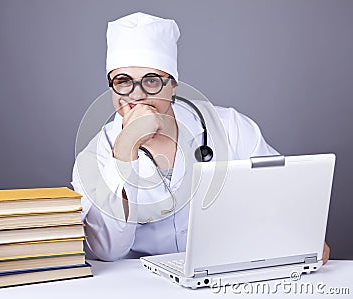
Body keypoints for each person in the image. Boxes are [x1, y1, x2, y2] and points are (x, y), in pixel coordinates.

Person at [71, 12, 330, 263]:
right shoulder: (93, 158)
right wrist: (125, 150)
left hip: (226, 272)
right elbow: (107, 250)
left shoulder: (230, 127)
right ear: (111, 88)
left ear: (173, 86)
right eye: (123, 81)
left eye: (151, 81)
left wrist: (303, 235)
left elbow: (281, 192)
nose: (136, 95)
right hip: (139, 285)